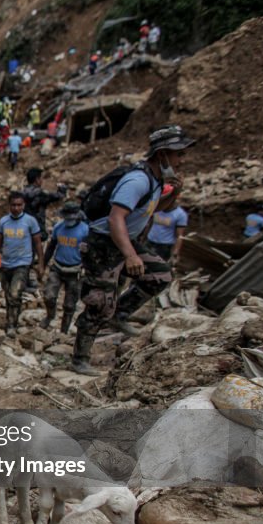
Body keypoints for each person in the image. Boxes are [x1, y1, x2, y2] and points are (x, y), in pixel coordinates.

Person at [73, 125, 194, 375]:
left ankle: (121, 312)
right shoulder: (137, 180)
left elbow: (151, 209)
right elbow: (115, 218)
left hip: (124, 239)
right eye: (177, 154)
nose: (182, 159)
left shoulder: (156, 180)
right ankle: (80, 359)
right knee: (99, 302)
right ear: (162, 155)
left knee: (160, 275)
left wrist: (175, 193)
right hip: (104, 244)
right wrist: (130, 255)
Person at [0, 192, 43, 336]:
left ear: (23, 205)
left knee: (15, 293)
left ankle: (12, 325)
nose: (16, 208)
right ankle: (10, 318)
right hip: (7, 264)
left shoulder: (30, 221)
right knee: (8, 294)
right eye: (13, 205)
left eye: (19, 205)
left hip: (23, 263)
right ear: (9, 205)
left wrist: (41, 264)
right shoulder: (4, 221)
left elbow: (37, 243)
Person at [40, 201, 89, 334]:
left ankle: (63, 331)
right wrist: (42, 265)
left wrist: (87, 268)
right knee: (49, 296)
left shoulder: (85, 230)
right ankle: (50, 316)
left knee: (69, 304)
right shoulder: (59, 227)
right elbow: (51, 246)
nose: (68, 221)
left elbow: (89, 252)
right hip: (57, 267)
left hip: (75, 271)